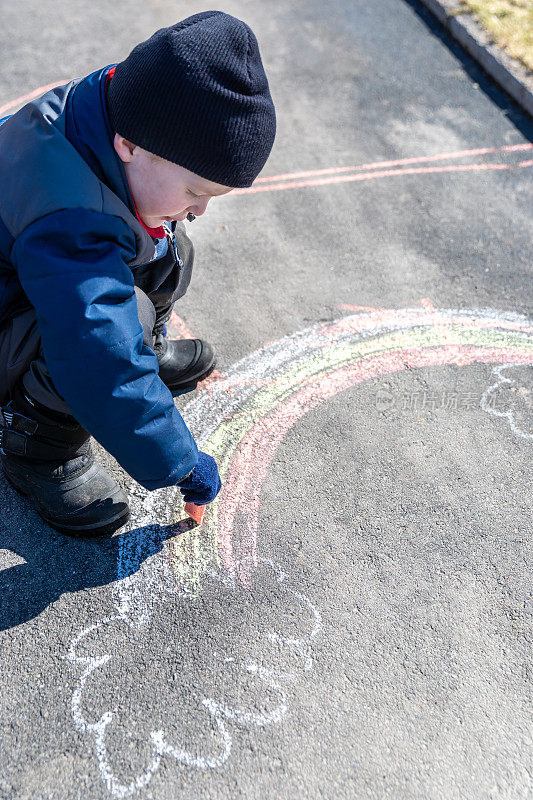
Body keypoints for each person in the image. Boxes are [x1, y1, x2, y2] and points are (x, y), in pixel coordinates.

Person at [0, 11, 276, 536]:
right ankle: (36, 444)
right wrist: (177, 458)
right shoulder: (68, 213)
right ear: (129, 146)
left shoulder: (117, 112)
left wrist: (135, 357)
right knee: (108, 330)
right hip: (14, 302)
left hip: (23, 277)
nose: (200, 208)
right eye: (196, 190)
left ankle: (141, 351)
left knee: (170, 243)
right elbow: (97, 347)